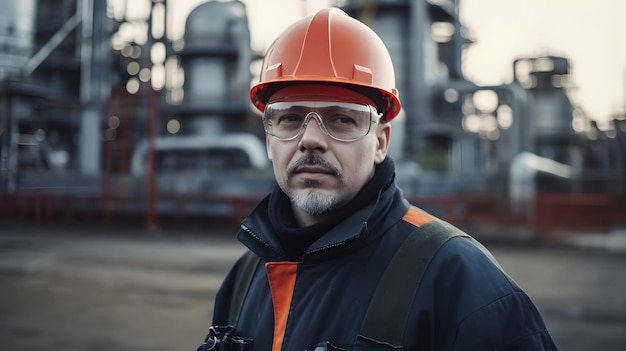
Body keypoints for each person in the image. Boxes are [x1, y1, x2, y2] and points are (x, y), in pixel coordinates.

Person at [198, 7, 558, 351]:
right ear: (268, 138)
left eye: (341, 119)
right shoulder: (244, 278)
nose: (310, 139)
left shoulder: (458, 278)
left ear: (381, 142)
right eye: (290, 118)